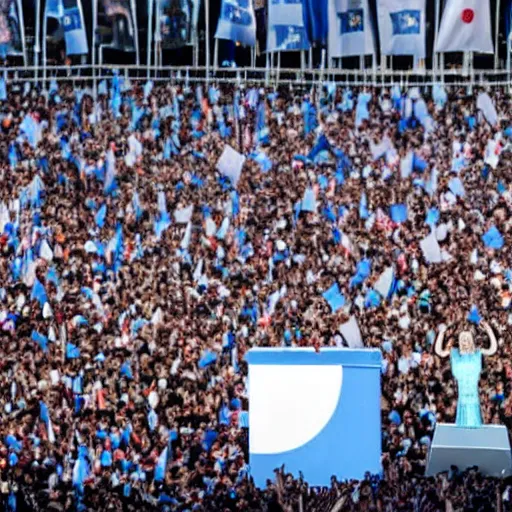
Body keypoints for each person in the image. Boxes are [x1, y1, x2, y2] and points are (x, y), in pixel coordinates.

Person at [435, 321, 498, 428]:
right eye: (462, 339)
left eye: (467, 339)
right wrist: (441, 334)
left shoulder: (477, 353)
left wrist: (489, 330)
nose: (464, 342)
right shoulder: (454, 353)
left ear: (471, 341)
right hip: (462, 400)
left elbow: (493, 349)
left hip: (474, 399)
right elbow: (439, 352)